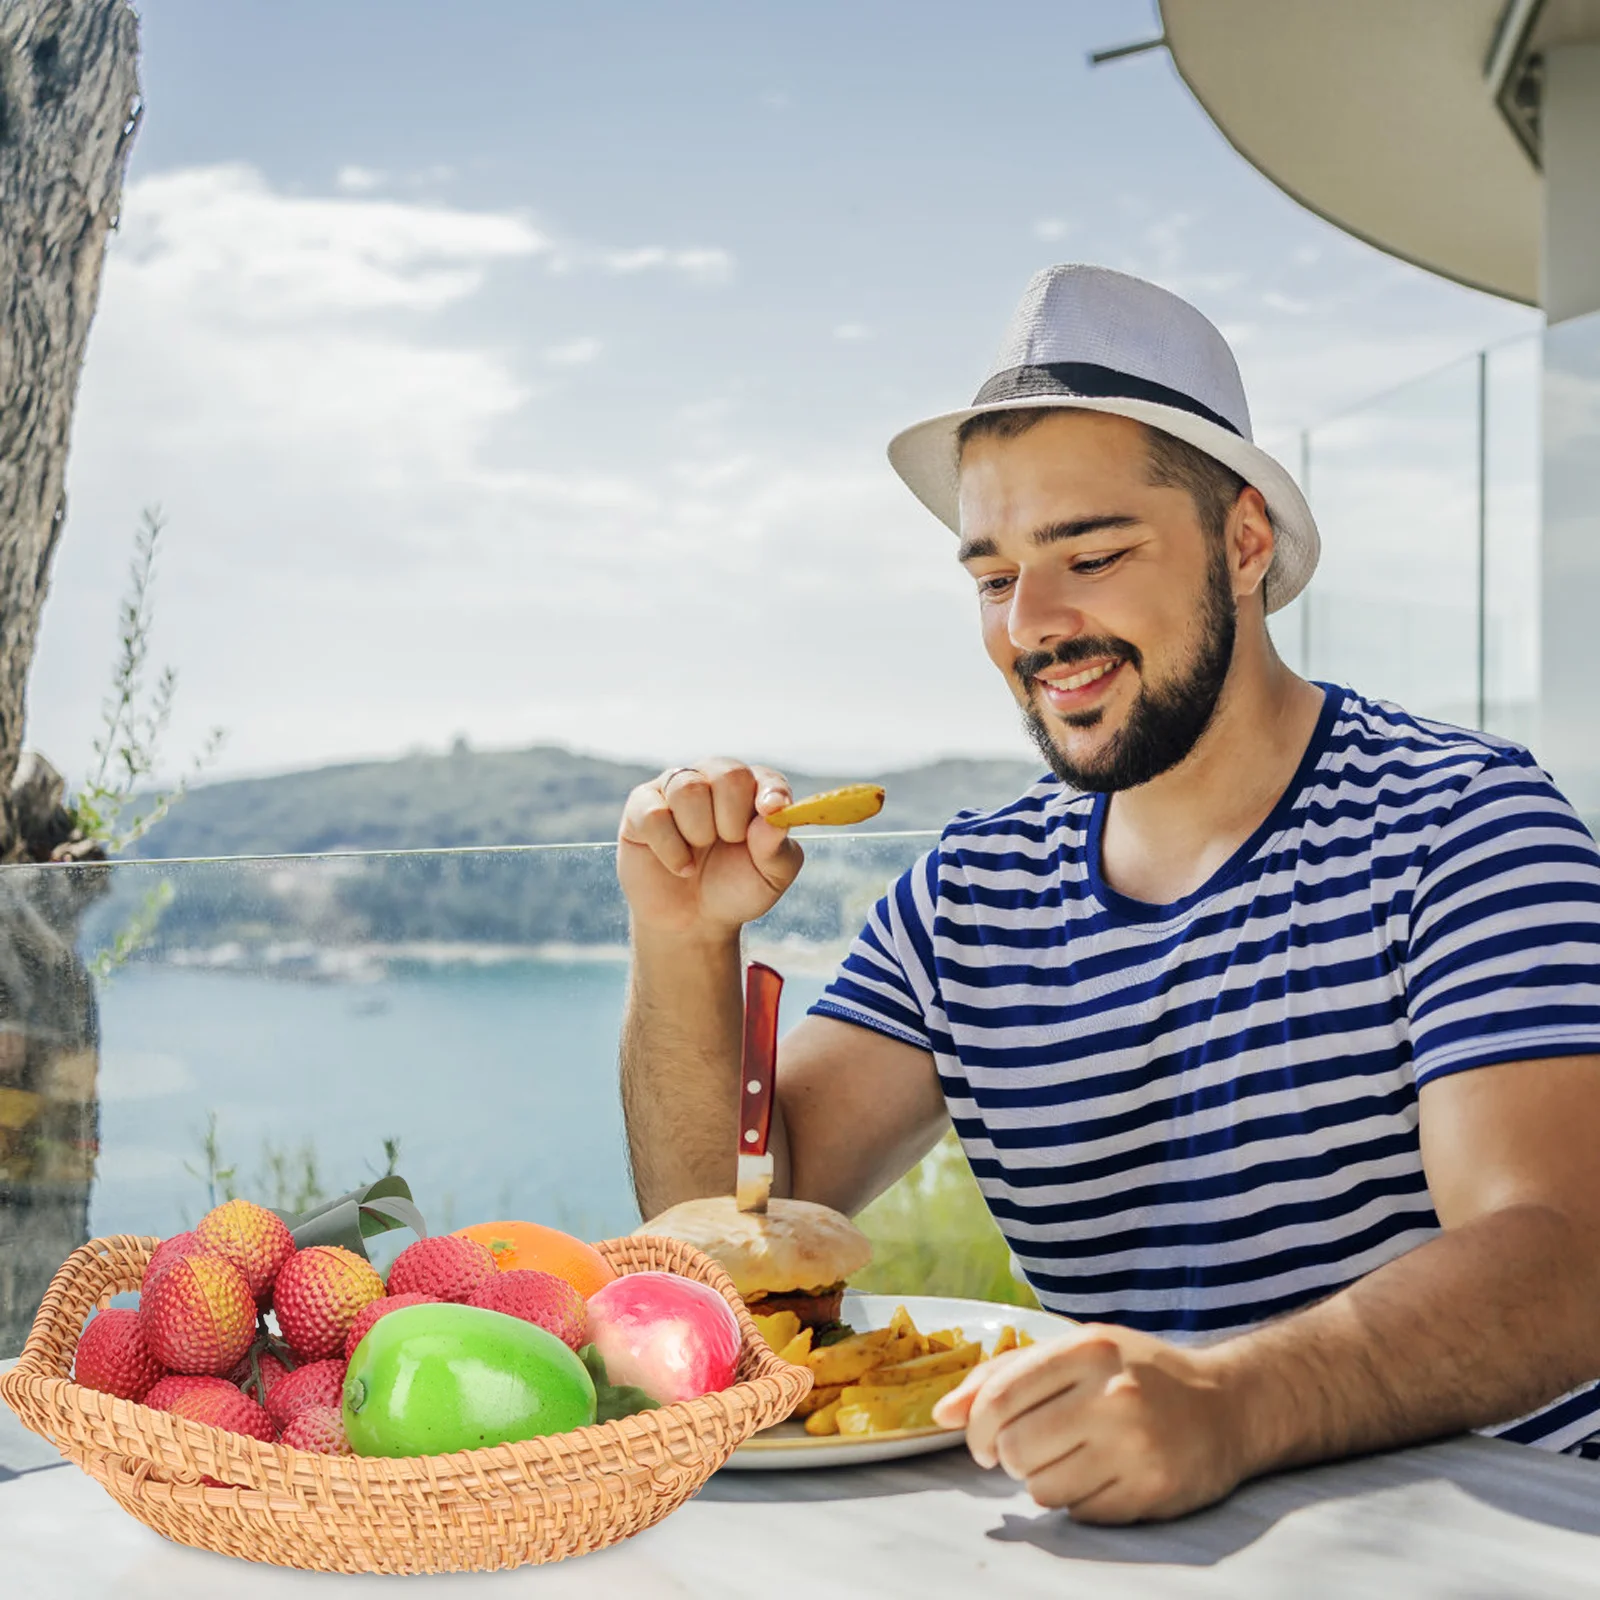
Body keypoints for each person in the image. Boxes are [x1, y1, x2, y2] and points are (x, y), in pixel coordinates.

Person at [616, 265, 1600, 1523]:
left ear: (1244, 543)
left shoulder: (1464, 827)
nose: (1032, 621)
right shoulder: (966, 898)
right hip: (1129, 1542)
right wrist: (682, 943)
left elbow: (1566, 1255)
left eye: (1090, 551)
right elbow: (731, 1220)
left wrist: (1232, 1403)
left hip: (1493, 1547)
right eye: (990, 574)